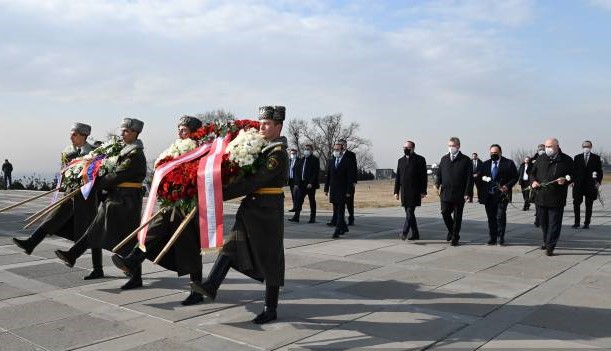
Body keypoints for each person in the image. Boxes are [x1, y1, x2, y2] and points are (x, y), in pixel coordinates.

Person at [190, 106, 288, 325]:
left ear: (279, 127)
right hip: (251, 208)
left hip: (267, 212)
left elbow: (255, 180)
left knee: (271, 259)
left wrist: (219, 194)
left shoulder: (278, 153)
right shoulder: (264, 148)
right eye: (261, 122)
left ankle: (270, 308)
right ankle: (211, 285)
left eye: (268, 124)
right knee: (230, 246)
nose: (261, 126)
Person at [111, 116, 206, 302]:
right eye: (179, 129)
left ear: (194, 133)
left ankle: (197, 291)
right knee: (151, 230)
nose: (180, 132)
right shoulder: (175, 147)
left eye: (184, 129)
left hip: (189, 204)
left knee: (190, 247)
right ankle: (133, 259)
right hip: (172, 201)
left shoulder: (201, 149)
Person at [55, 118, 147, 271]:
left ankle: (134, 273)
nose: (122, 133)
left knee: (127, 238)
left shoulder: (135, 154)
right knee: (95, 229)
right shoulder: (124, 150)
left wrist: (95, 182)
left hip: (127, 201)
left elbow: (117, 175)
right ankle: (73, 254)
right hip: (116, 198)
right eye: (122, 130)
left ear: (135, 133)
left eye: (126, 131)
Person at [13, 123, 102, 279]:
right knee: (53, 218)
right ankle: (30, 243)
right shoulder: (68, 151)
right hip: (70, 194)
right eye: (71, 134)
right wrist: (63, 183)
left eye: (74, 134)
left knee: (91, 232)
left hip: (86, 197)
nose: (71, 137)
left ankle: (98, 268)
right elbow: (64, 170)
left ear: (83, 136)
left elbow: (97, 175)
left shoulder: (93, 153)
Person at [530, 138, 573, 256]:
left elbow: (573, 175)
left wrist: (565, 180)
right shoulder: (541, 158)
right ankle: (546, 240)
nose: (547, 149)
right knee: (543, 223)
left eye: (550, 147)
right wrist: (533, 182)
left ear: (557, 147)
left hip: (557, 198)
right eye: (546, 146)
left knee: (554, 224)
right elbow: (532, 173)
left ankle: (550, 246)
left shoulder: (567, 160)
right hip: (541, 197)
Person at [477, 144, 518, 246]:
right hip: (489, 196)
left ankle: (501, 237)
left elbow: (515, 177)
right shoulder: (485, 164)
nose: (493, 154)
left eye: (495, 153)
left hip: (501, 195)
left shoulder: (508, 163)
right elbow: (480, 178)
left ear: (500, 152)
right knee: (491, 217)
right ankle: (493, 237)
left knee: (500, 216)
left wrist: (507, 186)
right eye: (491, 153)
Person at [435, 137, 472, 246]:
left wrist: (467, 193)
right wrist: (437, 183)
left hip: (459, 193)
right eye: (449, 146)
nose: (451, 148)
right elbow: (439, 173)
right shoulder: (444, 158)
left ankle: (455, 236)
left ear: (458, 146)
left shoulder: (465, 160)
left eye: (453, 146)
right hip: (445, 192)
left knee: (457, 216)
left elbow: (470, 178)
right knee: (444, 212)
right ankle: (451, 231)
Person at [393, 141, 427, 240]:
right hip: (404, 191)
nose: (405, 149)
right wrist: (396, 191)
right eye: (404, 147)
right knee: (409, 214)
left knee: (410, 211)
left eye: (407, 147)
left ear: (412, 148)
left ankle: (404, 233)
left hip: (414, 191)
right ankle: (415, 234)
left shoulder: (420, 159)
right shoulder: (400, 160)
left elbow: (423, 177)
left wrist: (423, 191)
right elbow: (398, 177)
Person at [325, 141, 356, 238]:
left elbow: (350, 178)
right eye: (334, 150)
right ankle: (344, 227)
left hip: (343, 191)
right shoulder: (332, 161)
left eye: (337, 150)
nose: (335, 151)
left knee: (340, 211)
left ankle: (337, 230)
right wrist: (326, 188)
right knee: (336, 210)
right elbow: (329, 176)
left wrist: (348, 191)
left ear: (342, 150)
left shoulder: (348, 161)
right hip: (334, 190)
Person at [572, 140, 603, 229]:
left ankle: (586, 223)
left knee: (589, 205)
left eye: (588, 146)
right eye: (585, 146)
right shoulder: (577, 157)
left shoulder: (596, 158)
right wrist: (572, 181)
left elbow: (599, 171)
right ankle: (576, 222)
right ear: (582, 147)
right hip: (579, 185)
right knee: (576, 204)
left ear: (591, 147)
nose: (586, 148)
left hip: (590, 185)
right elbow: (574, 170)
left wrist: (598, 181)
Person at [288, 143, 320, 223]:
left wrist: (311, 183)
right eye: (305, 149)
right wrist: (296, 183)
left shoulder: (315, 160)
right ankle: (296, 216)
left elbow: (315, 173)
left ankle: (312, 218)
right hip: (302, 184)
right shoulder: (302, 160)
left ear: (311, 151)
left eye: (308, 149)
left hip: (310, 185)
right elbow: (298, 172)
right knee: (299, 200)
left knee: (311, 200)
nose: (306, 151)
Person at [338, 139, 358, 225]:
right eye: (340, 144)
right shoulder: (337, 154)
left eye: (343, 144)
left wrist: (354, 181)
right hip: (339, 182)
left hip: (349, 182)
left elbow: (354, 168)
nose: (341, 146)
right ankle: (339, 220)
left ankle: (351, 218)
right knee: (339, 202)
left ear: (346, 145)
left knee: (349, 202)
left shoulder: (351, 155)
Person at [531, 144, 545, 227]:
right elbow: (530, 172)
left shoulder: (548, 157)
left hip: (545, 184)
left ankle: (541, 219)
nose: (541, 150)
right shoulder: (533, 159)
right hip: (536, 184)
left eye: (543, 149)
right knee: (537, 203)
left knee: (543, 204)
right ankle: (537, 219)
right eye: (540, 149)